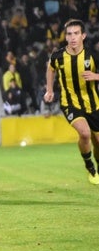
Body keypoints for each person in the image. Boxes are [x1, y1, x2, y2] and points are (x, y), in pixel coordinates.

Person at [44, 19, 99, 185]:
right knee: (84, 133)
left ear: (83, 35)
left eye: (76, 33)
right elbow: (50, 68)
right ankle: (90, 166)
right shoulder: (58, 56)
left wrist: (96, 76)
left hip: (93, 104)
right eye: (69, 34)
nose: (72, 37)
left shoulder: (92, 55)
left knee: (97, 142)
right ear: (65, 37)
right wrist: (50, 90)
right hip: (70, 103)